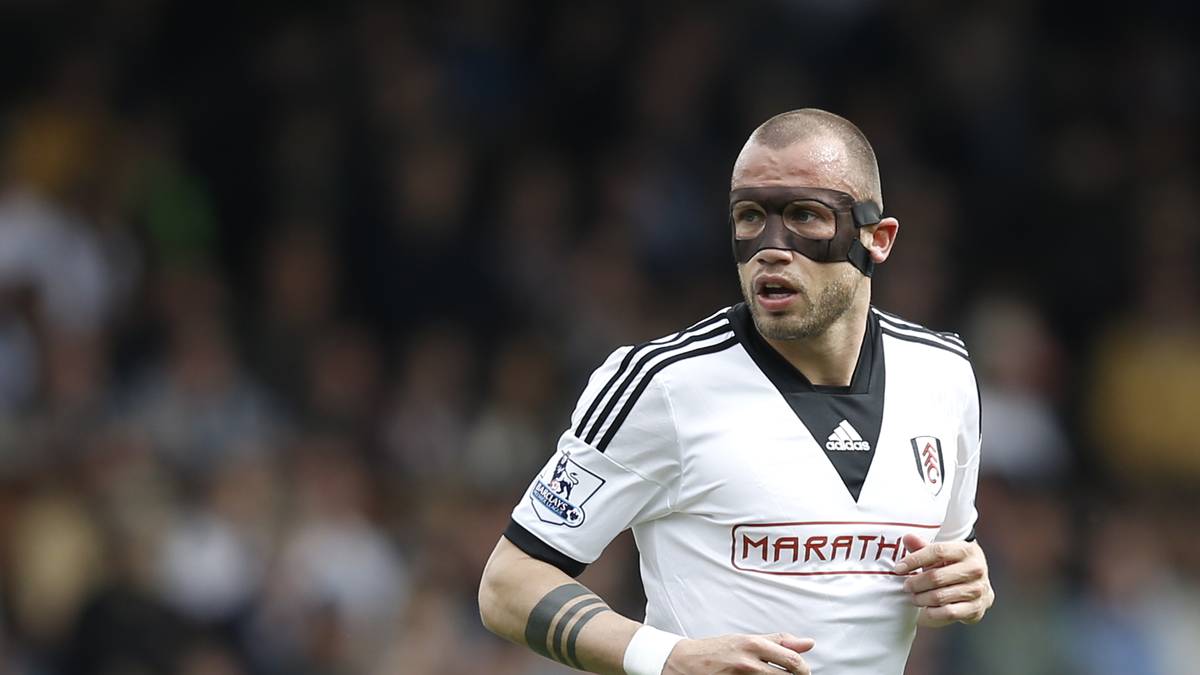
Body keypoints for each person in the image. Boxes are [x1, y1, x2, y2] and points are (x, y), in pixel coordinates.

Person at [478, 109, 994, 675]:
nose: (770, 246)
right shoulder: (662, 384)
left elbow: (941, 564)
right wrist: (667, 657)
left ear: (877, 238)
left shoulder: (943, 373)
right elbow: (508, 584)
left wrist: (965, 583)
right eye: (749, 216)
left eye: (805, 215)